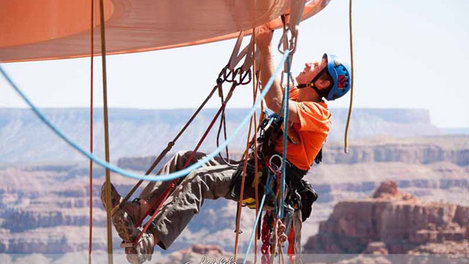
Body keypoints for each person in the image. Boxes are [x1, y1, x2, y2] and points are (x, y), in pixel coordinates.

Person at [100, 25, 351, 264]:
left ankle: (147, 243)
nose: (308, 63)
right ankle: (135, 212)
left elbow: (275, 101)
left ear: (322, 83)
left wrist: (265, 46)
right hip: (254, 170)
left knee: (201, 179)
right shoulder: (297, 95)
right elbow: (269, 84)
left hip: (268, 182)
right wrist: (261, 40)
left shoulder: (319, 114)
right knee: (184, 159)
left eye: (316, 65)